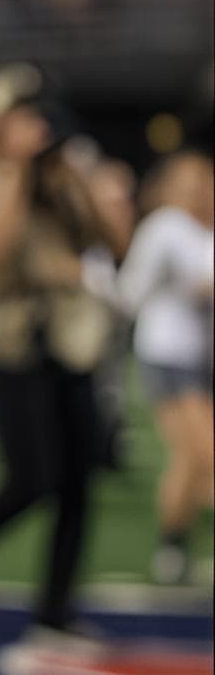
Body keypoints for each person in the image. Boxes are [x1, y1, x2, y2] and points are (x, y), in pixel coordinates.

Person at [0, 73, 125, 644]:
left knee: (78, 482)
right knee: (30, 478)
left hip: (71, 344)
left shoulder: (61, 180)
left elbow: (110, 243)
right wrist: (14, 172)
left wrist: (75, 179)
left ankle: (56, 607)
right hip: (10, 346)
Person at [121, 149, 214, 585]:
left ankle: (179, 545)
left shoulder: (199, 229)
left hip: (197, 357)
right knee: (196, 453)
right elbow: (200, 284)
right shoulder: (167, 226)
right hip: (168, 353)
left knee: (198, 459)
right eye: (194, 178)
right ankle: (172, 547)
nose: (202, 187)